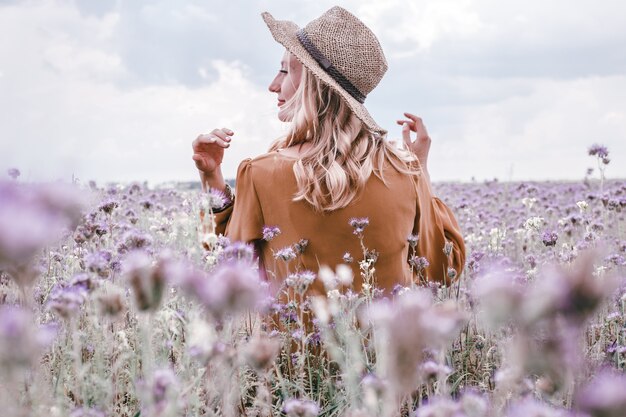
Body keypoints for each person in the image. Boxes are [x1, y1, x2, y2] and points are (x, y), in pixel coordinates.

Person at [191, 6, 465, 297]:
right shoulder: (404, 172)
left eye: (285, 70)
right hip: (388, 343)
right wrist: (420, 169)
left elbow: (229, 267)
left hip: (290, 342)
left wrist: (211, 178)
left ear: (313, 84)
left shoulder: (261, 173)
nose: (273, 85)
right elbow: (443, 267)